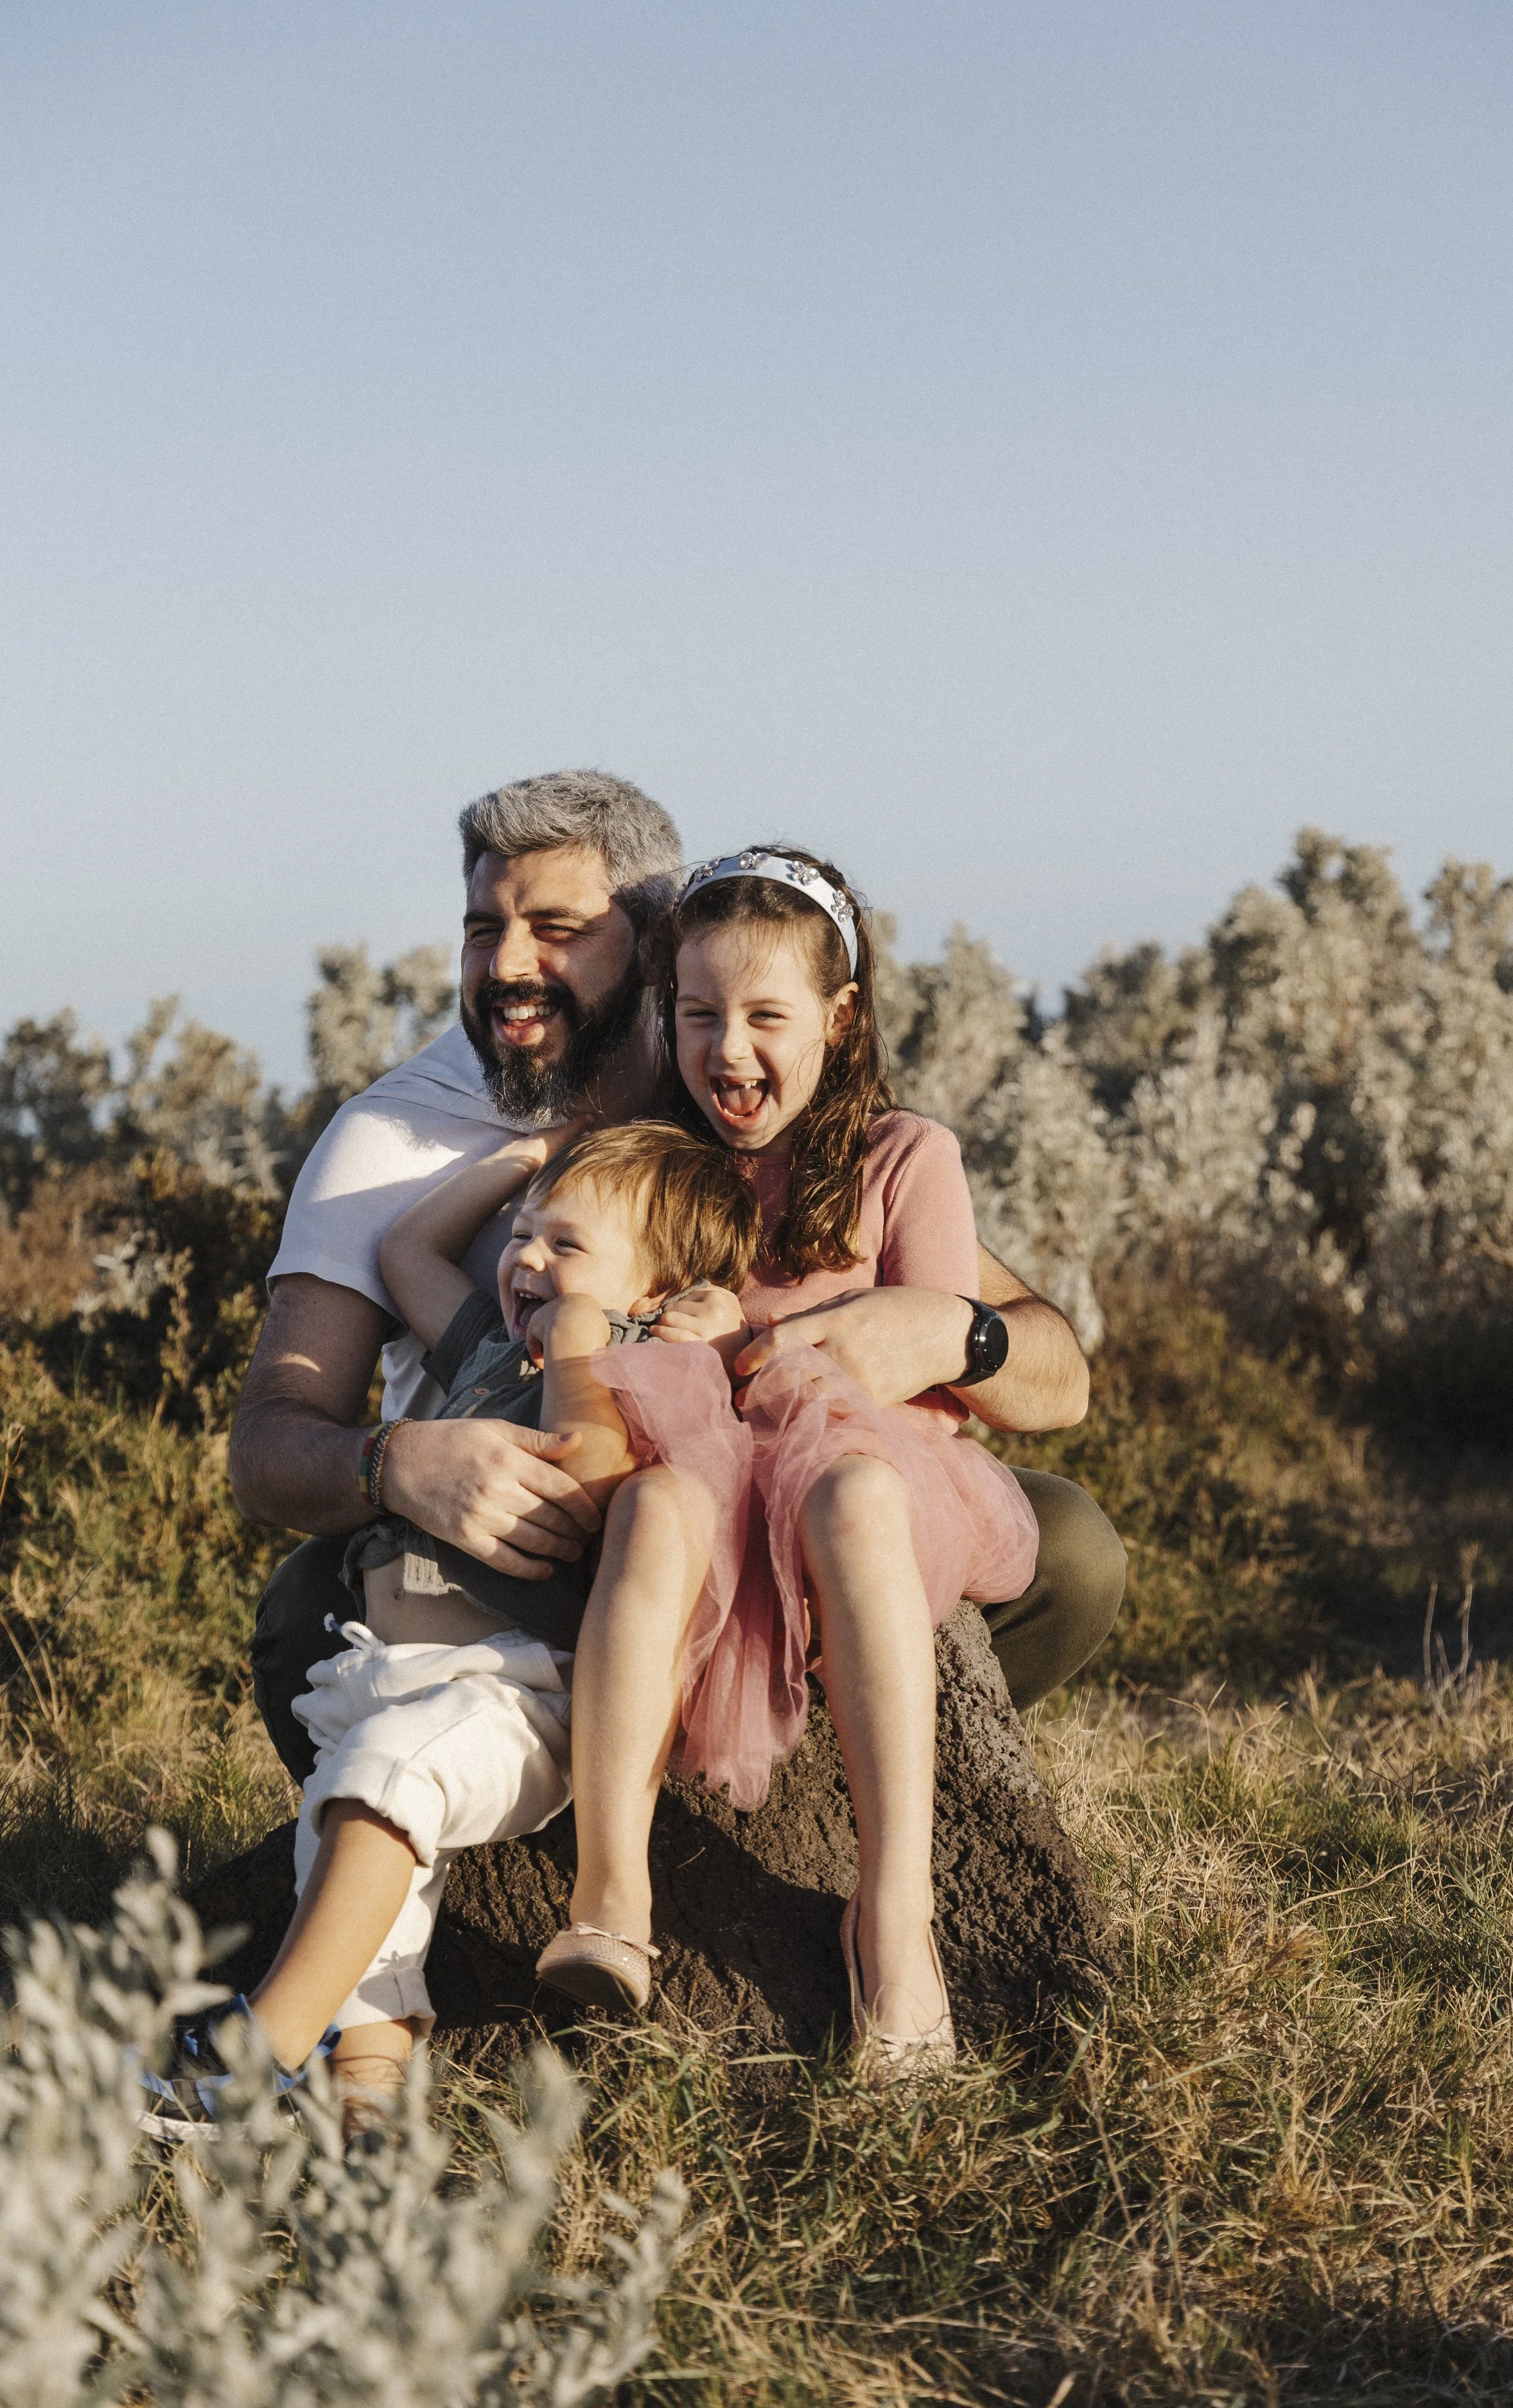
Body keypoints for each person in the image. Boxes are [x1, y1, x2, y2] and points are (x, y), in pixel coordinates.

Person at [232, 771, 1126, 1791]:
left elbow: (1051, 1367)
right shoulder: (387, 1141)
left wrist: (959, 1334)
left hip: (766, 1511)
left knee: (1070, 1546)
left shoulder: (726, 1083)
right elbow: (267, 1445)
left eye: (557, 928)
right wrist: (394, 1462)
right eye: (484, 929)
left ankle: (797, 1777)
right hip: (524, 1548)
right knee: (307, 1607)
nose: (509, 964)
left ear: (656, 945)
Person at [532, 846, 1043, 2077]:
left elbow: (927, 1362)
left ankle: (896, 1918)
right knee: (660, 1506)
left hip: (855, 1481)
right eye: (700, 1014)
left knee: (855, 1489)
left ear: (840, 1017)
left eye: (768, 1016)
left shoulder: (903, 1157)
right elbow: (577, 1283)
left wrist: (767, 1338)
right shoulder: (654, 1159)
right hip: (700, 1478)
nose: (731, 1050)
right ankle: (613, 1900)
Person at [146, 1120, 764, 2137]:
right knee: (357, 1881)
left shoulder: (642, 1359)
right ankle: (367, 2108)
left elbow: (591, 1476)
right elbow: (405, 1250)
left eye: (566, 1244)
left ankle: (250, 2058)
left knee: (382, 1792)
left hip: (510, 1682)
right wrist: (523, 1163)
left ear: (655, 1289)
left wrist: (581, 1343)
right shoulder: (488, 1340)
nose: (528, 1258)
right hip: (385, 1668)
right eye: (523, 1235)